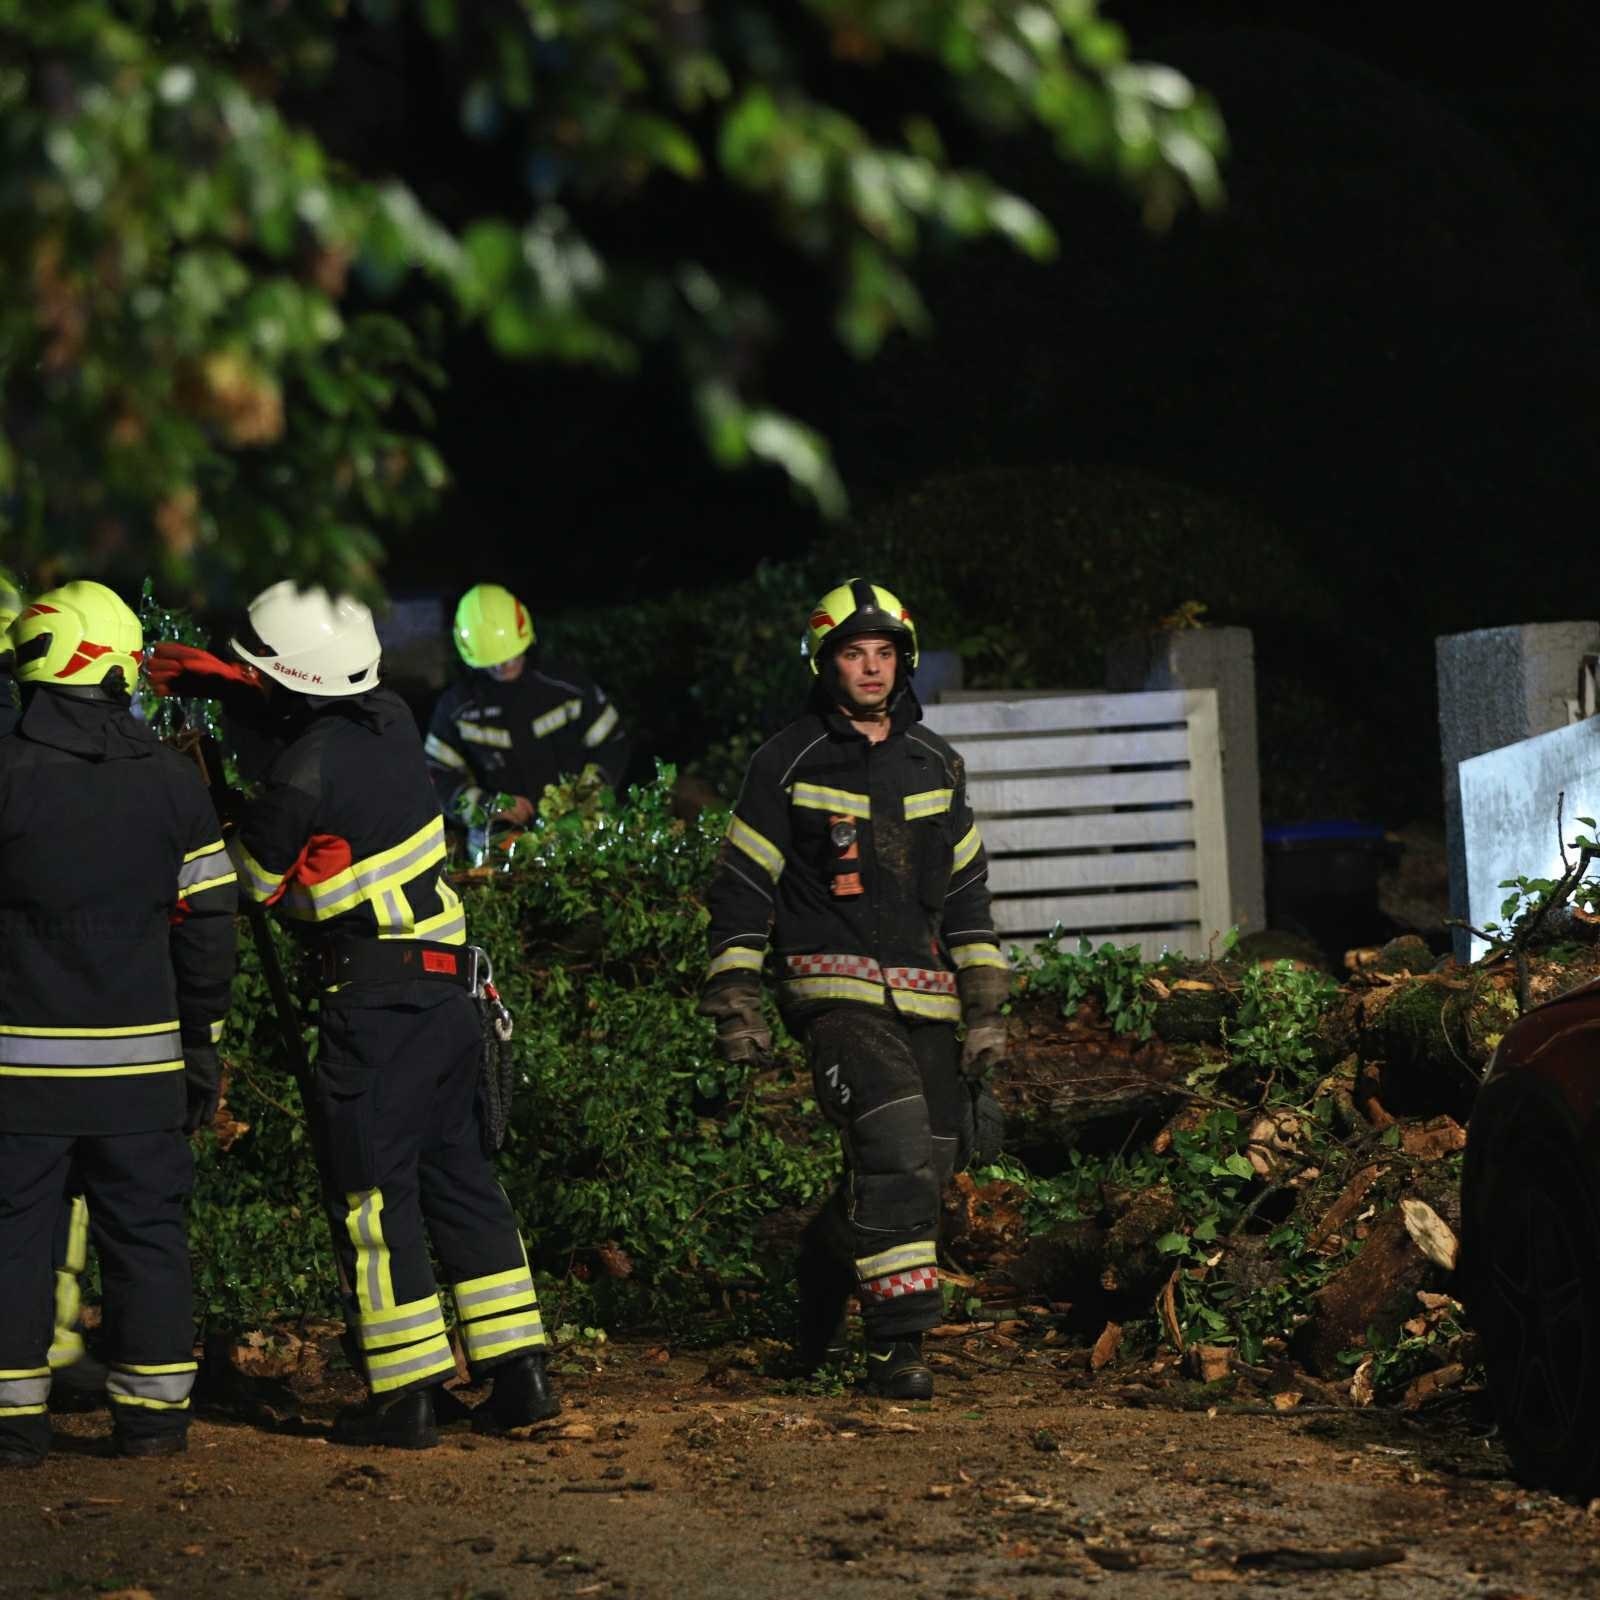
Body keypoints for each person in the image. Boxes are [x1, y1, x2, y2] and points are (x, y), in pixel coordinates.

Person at [152, 581, 557, 1449]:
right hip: (451, 998)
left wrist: (220, 806)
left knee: (373, 1197)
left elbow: (251, 884)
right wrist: (234, 687)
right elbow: (316, 718)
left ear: (295, 683)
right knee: (460, 1180)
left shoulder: (303, 771)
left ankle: (405, 1395)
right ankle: (520, 1372)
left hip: (374, 1006)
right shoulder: (394, 721)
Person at [699, 579, 1011, 1400]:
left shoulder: (937, 763)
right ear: (825, 663)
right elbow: (741, 888)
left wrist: (985, 1012)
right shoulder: (788, 760)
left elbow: (969, 895)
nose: (870, 669)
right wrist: (737, 1003)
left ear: (901, 662)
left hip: (928, 1002)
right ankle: (896, 1348)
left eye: (883, 654)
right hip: (831, 993)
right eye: (852, 653)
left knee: (929, 1170)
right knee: (898, 1147)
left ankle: (825, 1259)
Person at [0, 581, 237, 1465]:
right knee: (146, 1240)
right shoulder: (173, 783)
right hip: (142, 1076)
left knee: (14, 1242)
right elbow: (210, 927)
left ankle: (13, 1429)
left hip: (17, 1078)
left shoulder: (6, 776)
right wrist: (201, 1041)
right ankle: (152, 1421)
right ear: (111, 665)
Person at [425, 583, 629, 840]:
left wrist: (586, 796)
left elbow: (613, 743)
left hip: (579, 834)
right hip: (499, 844)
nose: (503, 666)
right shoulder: (457, 709)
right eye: (493, 662)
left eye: (510, 657)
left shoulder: (568, 689)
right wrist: (489, 806)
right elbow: (436, 777)